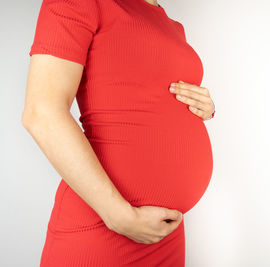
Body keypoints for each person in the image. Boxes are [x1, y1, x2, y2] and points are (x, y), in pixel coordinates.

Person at [22, 0, 215, 265]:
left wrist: (202, 107)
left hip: (163, 231)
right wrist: (118, 215)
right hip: (105, 224)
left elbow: (146, 95)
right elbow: (42, 112)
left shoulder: (172, 26)